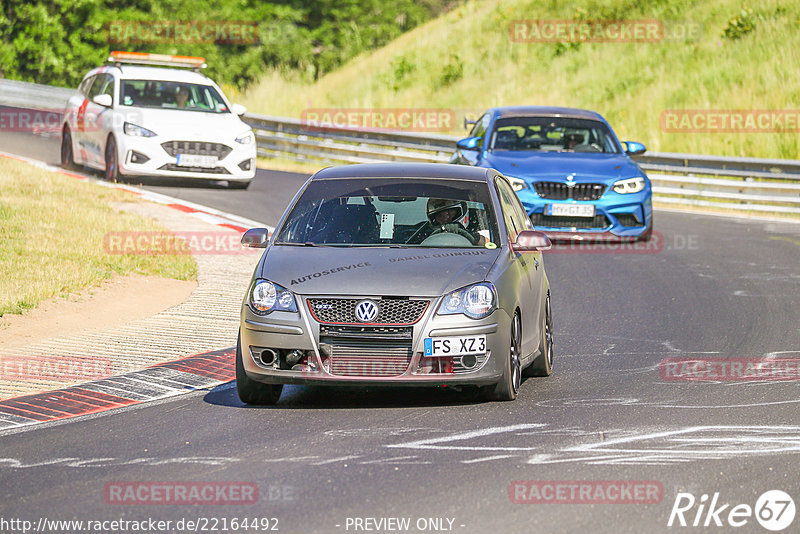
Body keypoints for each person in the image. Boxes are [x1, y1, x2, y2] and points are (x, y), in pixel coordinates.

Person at [411, 198, 487, 245]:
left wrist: (473, 236)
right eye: (440, 216)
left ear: (461, 210)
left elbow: (492, 245)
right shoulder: (421, 232)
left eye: (450, 212)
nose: (446, 218)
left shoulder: (482, 221)